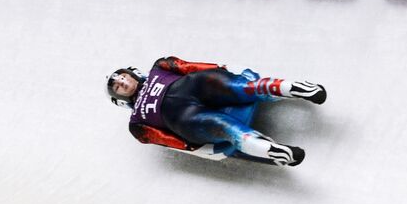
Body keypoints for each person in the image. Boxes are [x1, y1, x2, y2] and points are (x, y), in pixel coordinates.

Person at [106, 56, 326, 167]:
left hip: (195, 86)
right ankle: (271, 148)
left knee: (241, 88)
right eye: (118, 86)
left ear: (133, 73)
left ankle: (295, 89)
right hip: (184, 118)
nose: (123, 83)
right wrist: (196, 148)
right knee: (223, 126)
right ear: (120, 98)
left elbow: (190, 67)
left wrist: (223, 69)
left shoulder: (160, 66)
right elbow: (165, 139)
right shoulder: (136, 124)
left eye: (123, 77)